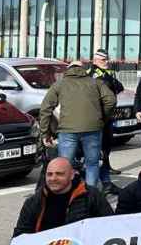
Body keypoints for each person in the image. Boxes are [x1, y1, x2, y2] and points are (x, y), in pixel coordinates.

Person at [38, 60, 116, 188]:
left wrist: (45, 132)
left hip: (67, 130)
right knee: (92, 164)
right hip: (93, 128)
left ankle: (65, 194)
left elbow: (45, 108)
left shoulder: (60, 84)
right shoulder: (95, 82)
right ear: (83, 69)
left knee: (65, 165)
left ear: (68, 69)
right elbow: (111, 100)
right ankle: (91, 195)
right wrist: (102, 117)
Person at [13, 158, 112, 236]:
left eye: (59, 174)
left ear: (72, 175)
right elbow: (20, 236)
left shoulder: (92, 196)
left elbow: (111, 226)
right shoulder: (34, 202)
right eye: (49, 174)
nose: (53, 178)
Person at [86, 49, 125, 195]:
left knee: (106, 147)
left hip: (107, 117)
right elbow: (110, 89)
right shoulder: (95, 74)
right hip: (99, 117)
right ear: (95, 61)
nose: (106, 62)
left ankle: (106, 177)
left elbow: (119, 86)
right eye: (103, 60)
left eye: (107, 59)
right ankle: (96, 187)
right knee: (98, 152)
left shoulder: (107, 73)